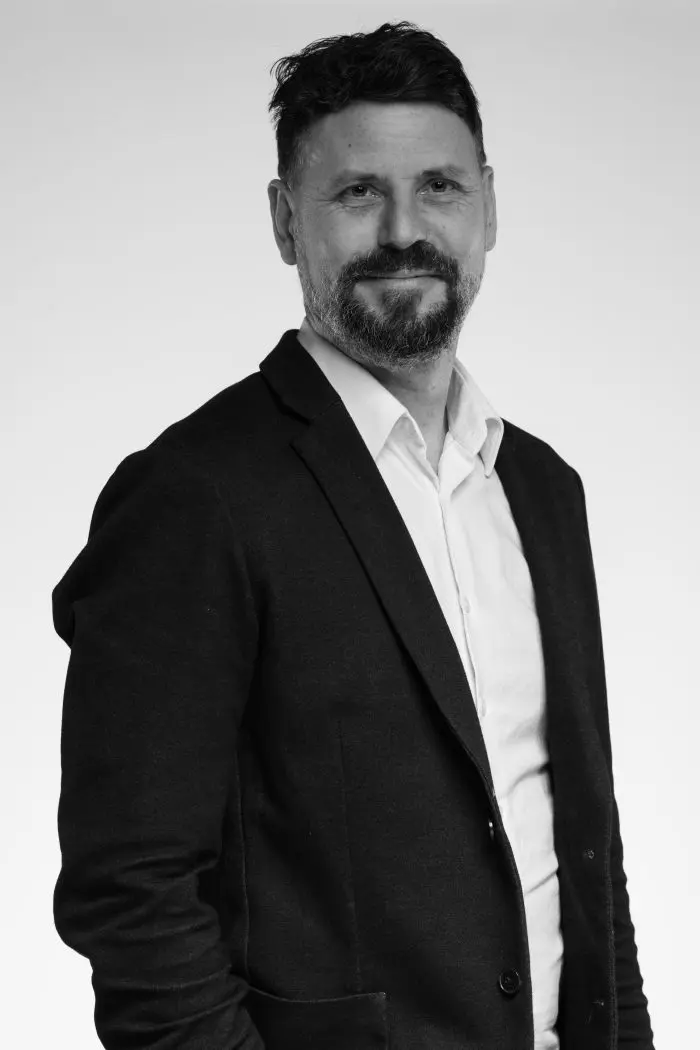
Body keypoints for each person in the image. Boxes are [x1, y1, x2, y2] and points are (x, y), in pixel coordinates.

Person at [52, 20, 655, 1050]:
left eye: (439, 187)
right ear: (287, 222)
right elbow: (132, 889)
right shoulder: (194, 495)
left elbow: (579, 840)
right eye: (355, 192)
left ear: (490, 207)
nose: (402, 230)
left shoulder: (543, 490)